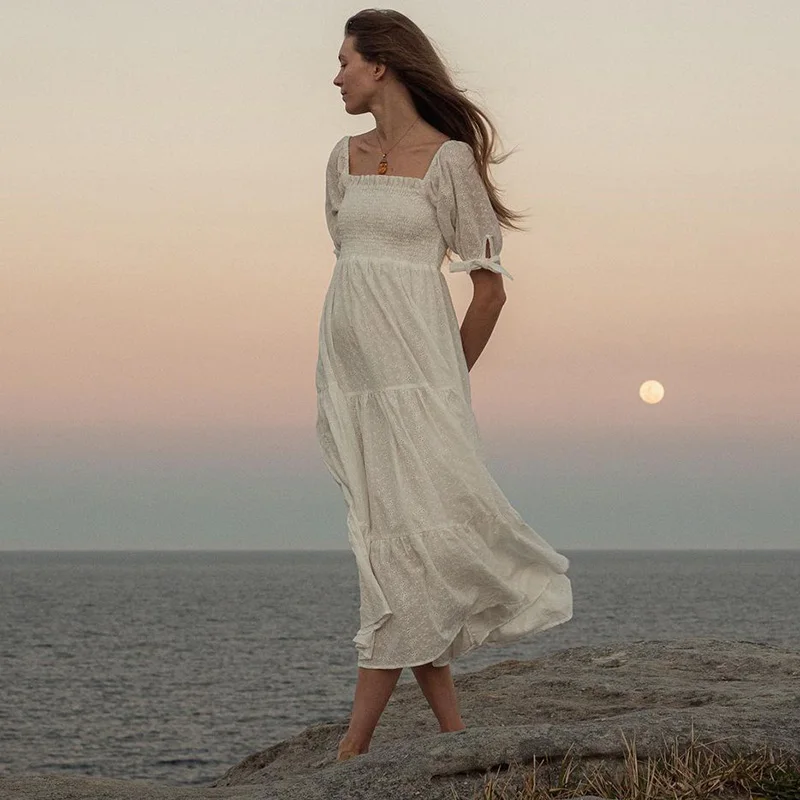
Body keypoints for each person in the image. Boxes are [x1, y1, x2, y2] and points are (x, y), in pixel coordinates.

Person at [317, 10, 573, 762]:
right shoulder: (342, 158)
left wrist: (441, 388)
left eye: (344, 62)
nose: (335, 77)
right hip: (354, 387)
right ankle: (455, 737)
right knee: (393, 543)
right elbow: (352, 266)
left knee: (402, 546)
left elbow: (488, 293)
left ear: (382, 66)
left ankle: (352, 749)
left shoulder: (450, 162)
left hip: (421, 392)